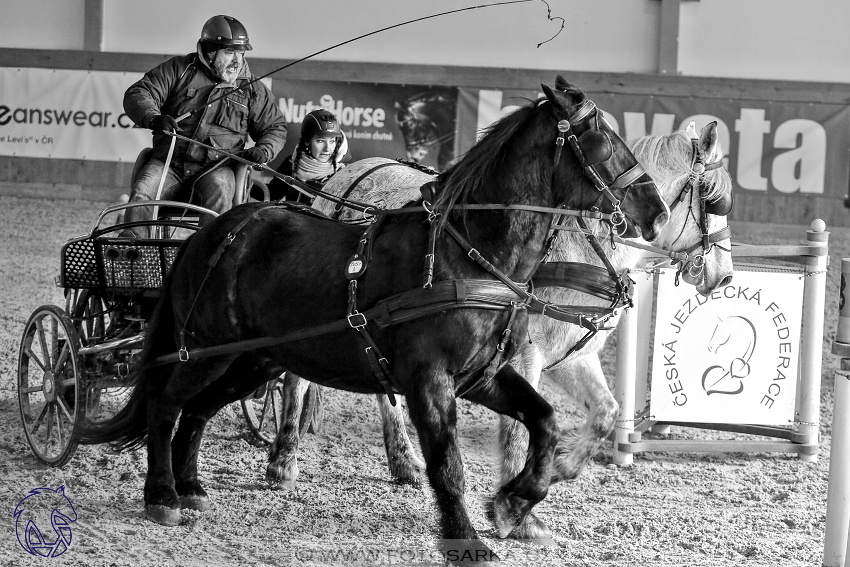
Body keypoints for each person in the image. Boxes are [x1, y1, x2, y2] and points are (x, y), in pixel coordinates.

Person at [122, 15, 287, 235]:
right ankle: (133, 259)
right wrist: (153, 117)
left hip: (219, 169)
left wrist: (263, 150)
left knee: (221, 188)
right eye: (230, 53)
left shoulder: (252, 89)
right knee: (143, 192)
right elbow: (139, 93)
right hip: (169, 165)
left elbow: (275, 128)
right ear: (210, 50)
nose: (237, 61)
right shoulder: (179, 69)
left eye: (241, 53)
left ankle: (208, 261)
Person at [267, 109, 348, 202]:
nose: (327, 148)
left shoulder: (341, 173)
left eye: (332, 141)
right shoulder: (291, 164)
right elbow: (272, 195)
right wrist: (247, 178)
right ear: (307, 141)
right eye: (320, 141)